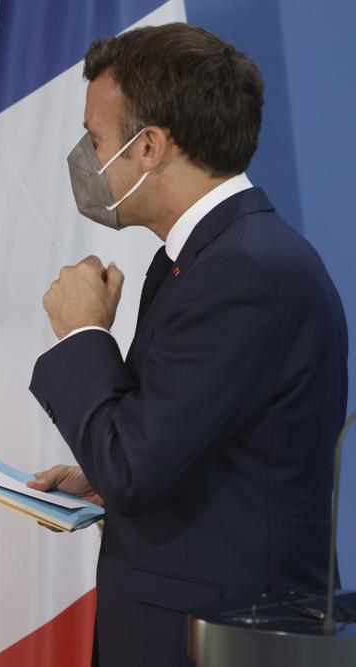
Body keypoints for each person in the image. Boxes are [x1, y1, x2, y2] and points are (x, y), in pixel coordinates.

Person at [26, 23, 348, 667]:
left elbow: (135, 469)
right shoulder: (204, 258)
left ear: (148, 147)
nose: (87, 160)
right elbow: (183, 439)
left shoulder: (241, 271)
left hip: (220, 637)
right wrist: (101, 479)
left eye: (95, 140)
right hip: (188, 624)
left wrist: (85, 334)